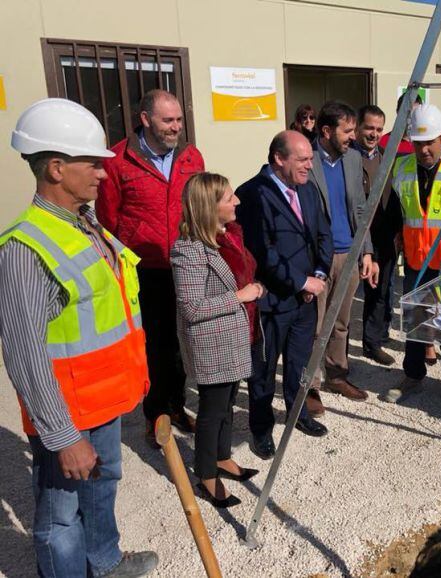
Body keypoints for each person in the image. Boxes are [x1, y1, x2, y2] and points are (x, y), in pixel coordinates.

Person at [0, 98, 157, 576]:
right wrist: (63, 436)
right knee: (60, 516)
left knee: (102, 485)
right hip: (70, 414)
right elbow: (25, 354)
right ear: (55, 167)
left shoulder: (85, 224)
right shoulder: (26, 249)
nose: (103, 174)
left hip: (105, 401)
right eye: (92, 163)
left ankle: (105, 562)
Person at [96, 89, 205, 447]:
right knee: (155, 342)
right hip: (146, 268)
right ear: (145, 120)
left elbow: (198, 206)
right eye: (168, 121)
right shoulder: (116, 160)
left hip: (185, 262)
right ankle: (155, 411)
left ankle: (177, 404)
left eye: (178, 120)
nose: (176, 127)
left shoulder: (191, 157)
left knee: (184, 340)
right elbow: (108, 218)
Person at [236, 130, 332, 459]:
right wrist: (300, 283)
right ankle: (261, 429)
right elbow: (263, 252)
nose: (309, 165)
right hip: (273, 303)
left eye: (310, 158)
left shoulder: (306, 188)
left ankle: (298, 414)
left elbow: (323, 233)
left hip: (305, 299)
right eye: (302, 159)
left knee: (298, 364)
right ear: (279, 158)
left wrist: (318, 274)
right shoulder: (252, 194)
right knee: (263, 370)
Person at [171, 173, 263, 508]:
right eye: (228, 198)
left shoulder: (223, 238)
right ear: (209, 207)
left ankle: (222, 457)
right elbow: (191, 308)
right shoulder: (188, 251)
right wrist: (241, 295)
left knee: (226, 406)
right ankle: (205, 475)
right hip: (212, 345)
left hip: (234, 339)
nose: (236, 201)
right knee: (211, 412)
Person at [384, 104, 441, 404]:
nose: (423, 149)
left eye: (429, 142)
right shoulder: (402, 166)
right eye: (418, 143)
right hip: (416, 261)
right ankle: (413, 374)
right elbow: (398, 212)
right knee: (416, 321)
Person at [307, 101, 374, 410]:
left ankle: (337, 374)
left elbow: (361, 209)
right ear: (326, 131)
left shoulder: (352, 159)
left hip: (348, 255)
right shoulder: (306, 160)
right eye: (347, 131)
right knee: (315, 324)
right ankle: (309, 385)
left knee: (342, 322)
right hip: (317, 258)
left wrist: (367, 252)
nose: (353, 136)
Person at [354, 104, 398, 366]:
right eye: (369, 128)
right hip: (355, 239)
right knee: (346, 297)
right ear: (358, 127)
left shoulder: (387, 157)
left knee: (378, 292)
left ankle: (373, 343)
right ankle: (336, 354)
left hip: (383, 238)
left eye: (379, 129)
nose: (374, 133)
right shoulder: (347, 158)